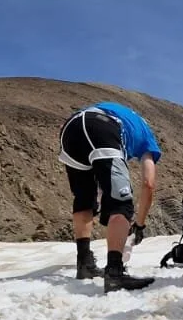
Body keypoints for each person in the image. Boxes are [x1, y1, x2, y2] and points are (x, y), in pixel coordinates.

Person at [57, 101, 160, 292]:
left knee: (84, 199)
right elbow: (149, 183)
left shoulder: (122, 113)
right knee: (120, 203)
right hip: (102, 128)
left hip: (70, 129)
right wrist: (139, 225)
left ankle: (84, 263)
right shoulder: (147, 136)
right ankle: (114, 273)